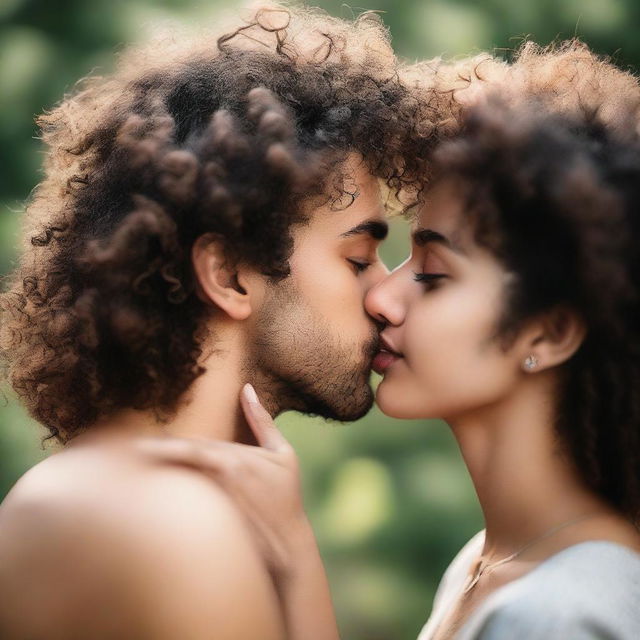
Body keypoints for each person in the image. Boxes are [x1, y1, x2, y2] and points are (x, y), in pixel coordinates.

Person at [141, 47, 640, 639]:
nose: (382, 297)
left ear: (548, 331)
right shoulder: (484, 564)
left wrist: (295, 555)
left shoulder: (560, 613)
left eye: (432, 274)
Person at [0, 4, 448, 639]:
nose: (384, 297)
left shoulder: (97, 490)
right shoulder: (176, 523)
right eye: (357, 259)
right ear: (230, 275)